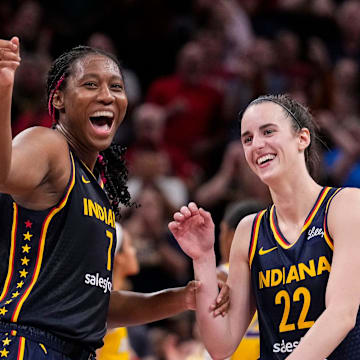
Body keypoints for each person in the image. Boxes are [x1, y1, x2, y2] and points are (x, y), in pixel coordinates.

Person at [0, 37, 229, 360]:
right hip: (27, 344)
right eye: (90, 84)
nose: (107, 96)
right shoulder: (48, 146)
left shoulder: (96, 189)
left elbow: (97, 303)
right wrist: (3, 86)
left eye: (116, 87)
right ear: (59, 100)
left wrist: (183, 297)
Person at [169, 93, 360, 359]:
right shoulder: (249, 231)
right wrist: (203, 258)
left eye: (268, 131)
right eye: (247, 139)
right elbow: (220, 345)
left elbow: (342, 314)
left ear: (302, 138)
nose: (256, 144)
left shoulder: (345, 205)